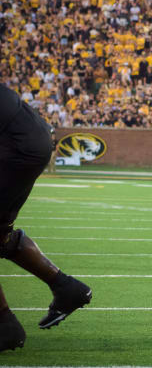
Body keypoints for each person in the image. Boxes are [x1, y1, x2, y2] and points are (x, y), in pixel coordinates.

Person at [0, 84, 92, 353]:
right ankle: (67, 288)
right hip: (28, 140)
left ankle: (5, 326)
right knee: (1, 234)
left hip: (14, 145)